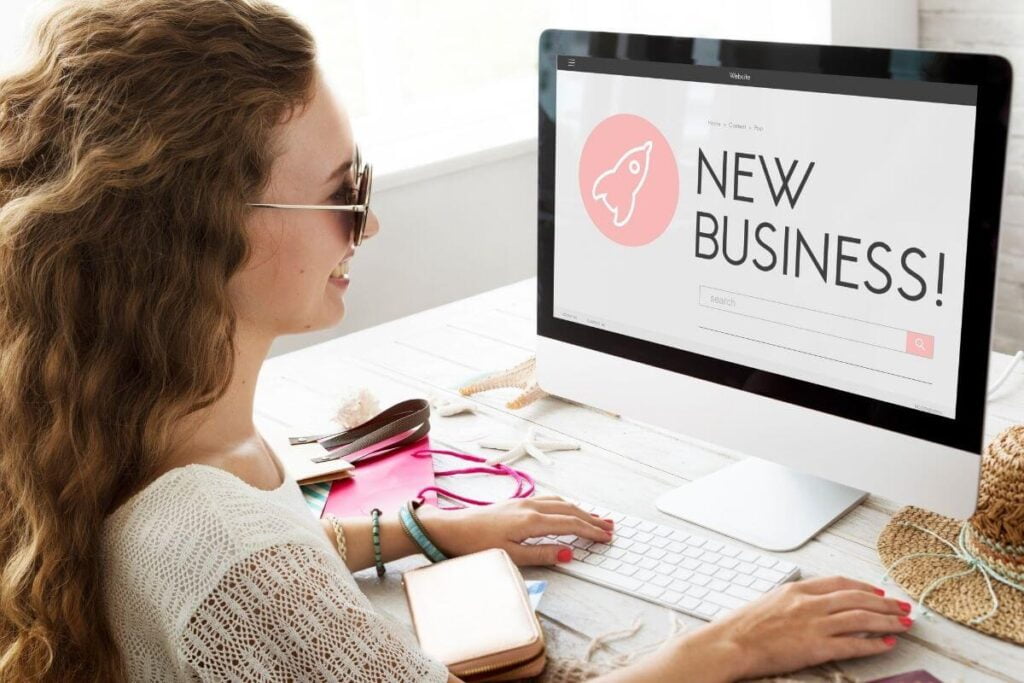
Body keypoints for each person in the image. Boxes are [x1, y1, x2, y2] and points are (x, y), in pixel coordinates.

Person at [0, 1, 914, 680]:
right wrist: (725, 645)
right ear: (208, 230)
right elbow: (240, 565)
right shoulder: (223, 541)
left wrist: (424, 528)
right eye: (345, 189)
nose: (370, 224)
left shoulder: (119, 414)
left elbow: (235, 558)